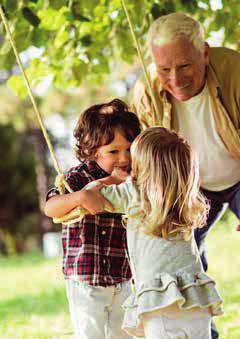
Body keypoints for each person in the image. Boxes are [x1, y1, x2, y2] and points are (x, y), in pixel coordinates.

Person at [130, 12, 240, 339]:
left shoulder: (239, 73)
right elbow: (145, 160)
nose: (176, 79)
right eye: (164, 69)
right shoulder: (146, 92)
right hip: (189, 188)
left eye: (185, 66)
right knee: (181, 259)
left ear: (205, 53)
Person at [79, 127, 223, 338]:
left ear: (143, 166)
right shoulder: (186, 199)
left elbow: (89, 193)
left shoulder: (133, 193)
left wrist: (112, 179)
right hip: (195, 296)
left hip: (158, 301)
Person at [44, 99, 141, 339]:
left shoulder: (137, 179)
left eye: (129, 149)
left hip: (122, 275)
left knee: (124, 333)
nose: (124, 158)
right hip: (86, 279)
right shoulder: (78, 178)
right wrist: (82, 196)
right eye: (113, 151)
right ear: (92, 151)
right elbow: (51, 207)